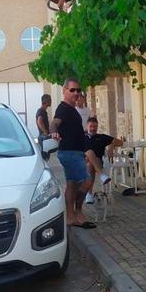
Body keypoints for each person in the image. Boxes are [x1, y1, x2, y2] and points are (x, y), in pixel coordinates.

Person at [49, 78, 95, 229]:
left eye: (78, 90)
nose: (76, 92)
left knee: (72, 185)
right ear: (64, 91)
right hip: (69, 153)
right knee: (87, 181)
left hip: (74, 152)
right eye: (72, 90)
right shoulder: (63, 108)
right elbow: (54, 123)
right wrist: (54, 133)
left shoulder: (72, 109)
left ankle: (70, 217)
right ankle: (77, 211)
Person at [83, 117, 124, 204]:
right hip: (83, 162)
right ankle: (102, 175)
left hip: (97, 162)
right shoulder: (81, 137)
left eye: (95, 126)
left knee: (90, 164)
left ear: (97, 127)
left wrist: (112, 145)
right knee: (89, 153)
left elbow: (120, 142)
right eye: (91, 126)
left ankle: (89, 194)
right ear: (87, 126)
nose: (93, 128)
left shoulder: (101, 137)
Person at [36, 94, 52, 159]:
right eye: (50, 100)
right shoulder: (41, 111)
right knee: (44, 158)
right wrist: (45, 132)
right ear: (46, 101)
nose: (51, 101)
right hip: (43, 137)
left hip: (43, 137)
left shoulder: (43, 111)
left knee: (46, 157)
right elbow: (39, 121)